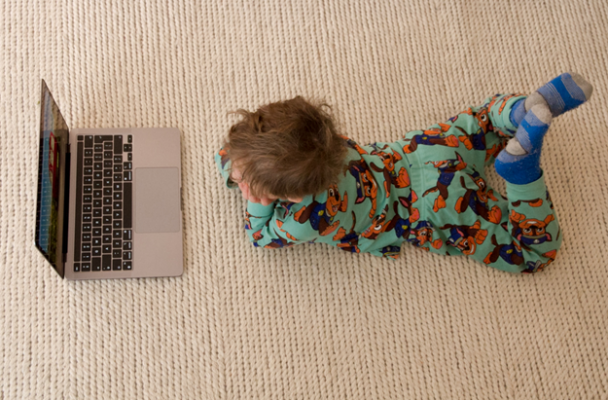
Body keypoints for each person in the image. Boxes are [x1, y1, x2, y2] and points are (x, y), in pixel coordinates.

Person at [215, 73, 592, 273]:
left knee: (533, 250)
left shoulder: (304, 220)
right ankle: (521, 110)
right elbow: (241, 153)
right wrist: (245, 164)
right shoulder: (330, 143)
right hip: (421, 151)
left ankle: (521, 173)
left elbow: (260, 236)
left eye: (244, 177)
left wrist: (256, 202)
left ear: (293, 197)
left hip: (435, 206)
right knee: (478, 123)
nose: (236, 175)